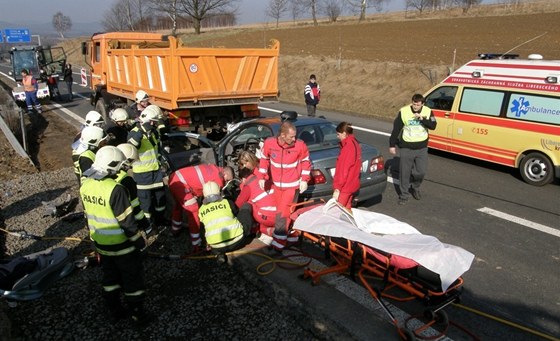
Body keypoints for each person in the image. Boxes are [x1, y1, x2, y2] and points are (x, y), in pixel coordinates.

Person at [79, 145, 150, 326]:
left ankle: (115, 310)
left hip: (101, 244)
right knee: (132, 278)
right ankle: (137, 314)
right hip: (122, 246)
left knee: (110, 278)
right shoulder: (115, 189)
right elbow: (126, 222)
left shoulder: (85, 185)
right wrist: (138, 241)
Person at [257, 121, 311, 251]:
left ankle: (278, 244)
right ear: (282, 135)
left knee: (282, 215)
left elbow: (305, 163)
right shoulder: (270, 143)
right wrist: (262, 177)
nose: (294, 139)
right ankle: (292, 237)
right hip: (277, 186)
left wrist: (304, 180)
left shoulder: (300, 146)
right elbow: (264, 159)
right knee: (284, 214)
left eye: (295, 136)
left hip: (291, 187)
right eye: (291, 137)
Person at [389, 93, 437, 205]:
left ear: (422, 104)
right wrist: (392, 145)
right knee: (404, 173)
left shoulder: (428, 111)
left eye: (418, 104)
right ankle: (404, 195)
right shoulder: (404, 111)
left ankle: (415, 187)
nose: (415, 106)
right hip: (407, 147)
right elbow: (396, 129)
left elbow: (433, 125)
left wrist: (422, 119)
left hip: (422, 148)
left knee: (420, 172)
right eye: (414, 104)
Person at [127, 105, 167, 229]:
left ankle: (160, 221)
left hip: (156, 173)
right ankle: (148, 227)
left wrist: (162, 162)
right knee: (145, 203)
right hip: (142, 175)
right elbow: (131, 146)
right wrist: (141, 131)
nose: (156, 125)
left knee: (160, 200)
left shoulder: (153, 132)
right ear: (150, 121)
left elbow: (157, 149)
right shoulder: (134, 132)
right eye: (155, 122)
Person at [168, 164, 225, 251]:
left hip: (175, 178)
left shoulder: (215, 168)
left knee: (179, 205)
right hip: (181, 185)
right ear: (226, 175)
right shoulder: (217, 180)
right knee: (193, 211)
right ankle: (196, 243)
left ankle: (175, 229)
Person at [198, 181, 253, 263]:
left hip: (216, 246)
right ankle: (251, 233)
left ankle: (220, 254)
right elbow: (237, 213)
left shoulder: (201, 209)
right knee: (246, 207)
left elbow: (203, 230)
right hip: (238, 241)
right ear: (219, 192)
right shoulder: (226, 202)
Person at [116, 143, 153, 235]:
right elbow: (136, 207)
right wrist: (147, 227)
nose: (131, 166)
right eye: (131, 162)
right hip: (123, 227)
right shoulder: (127, 180)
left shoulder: (104, 175)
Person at [236, 166, 277, 238]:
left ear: (243, 179)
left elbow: (238, 204)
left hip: (266, 217)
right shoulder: (263, 179)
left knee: (248, 204)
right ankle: (269, 229)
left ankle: (257, 228)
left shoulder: (248, 186)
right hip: (279, 215)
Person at [332, 122, 362, 209]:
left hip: (344, 187)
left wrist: (337, 188)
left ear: (344, 133)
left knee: (337, 212)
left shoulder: (347, 148)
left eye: (338, 134)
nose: (338, 137)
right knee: (346, 211)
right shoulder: (355, 143)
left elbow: (343, 170)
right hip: (352, 184)